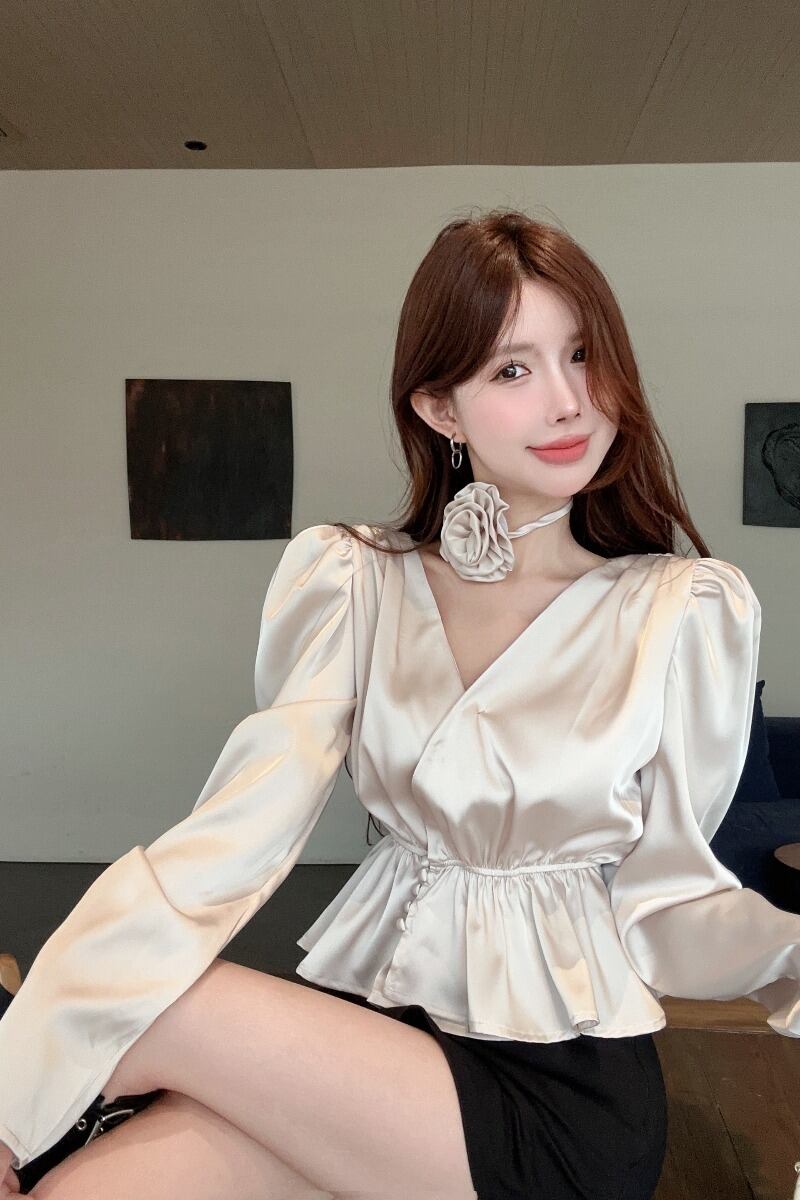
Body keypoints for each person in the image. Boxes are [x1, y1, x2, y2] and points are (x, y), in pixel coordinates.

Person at [2, 208, 799, 1200]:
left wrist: (789, 952)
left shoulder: (678, 609)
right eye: (512, 370)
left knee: (150, 1011)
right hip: (373, 1029)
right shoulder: (355, 582)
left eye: (582, 354)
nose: (567, 402)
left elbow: (667, 904)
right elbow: (228, 842)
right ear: (439, 408)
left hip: (555, 1093)